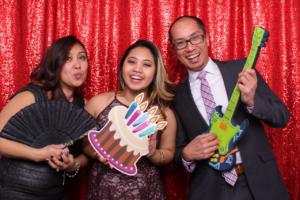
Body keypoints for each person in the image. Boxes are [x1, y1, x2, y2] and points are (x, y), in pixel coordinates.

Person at [169, 16, 290, 200]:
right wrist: (186, 154)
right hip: (210, 190)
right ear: (174, 50)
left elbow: (282, 116)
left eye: (195, 38)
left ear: (207, 38)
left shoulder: (242, 69)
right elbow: (178, 150)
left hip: (260, 181)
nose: (190, 47)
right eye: (180, 42)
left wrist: (252, 101)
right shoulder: (175, 96)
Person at [82, 40, 177, 200]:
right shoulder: (98, 103)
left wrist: (153, 154)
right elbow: (84, 144)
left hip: (145, 190)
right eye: (131, 61)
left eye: (146, 64)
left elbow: (169, 153)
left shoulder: (164, 114)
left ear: (155, 72)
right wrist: (99, 154)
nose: (137, 69)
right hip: (104, 189)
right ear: (122, 66)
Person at [0, 35, 89, 200]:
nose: (78, 65)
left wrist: (73, 165)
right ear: (55, 64)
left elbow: (87, 152)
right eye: (68, 58)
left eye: (82, 57)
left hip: (54, 194)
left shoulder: (84, 105)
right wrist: (38, 154)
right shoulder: (32, 96)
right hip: (12, 191)